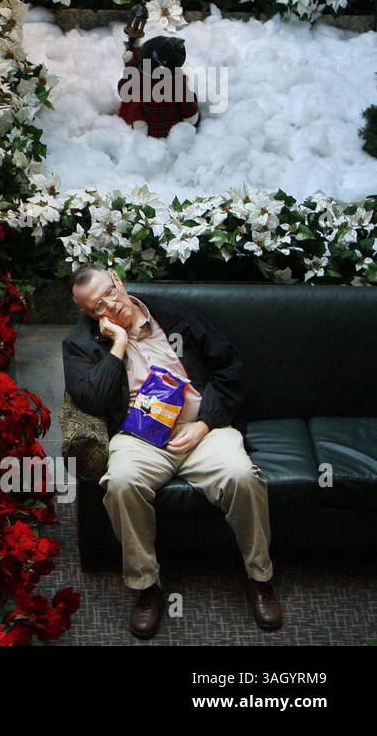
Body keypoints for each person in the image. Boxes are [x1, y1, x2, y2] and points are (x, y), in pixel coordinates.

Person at [62, 267, 282, 638]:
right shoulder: (80, 344)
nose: (111, 306)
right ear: (87, 313)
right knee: (119, 482)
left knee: (242, 476)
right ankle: (147, 587)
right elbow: (93, 400)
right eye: (98, 307)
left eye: (111, 293)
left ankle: (259, 577)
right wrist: (116, 345)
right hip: (139, 437)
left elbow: (227, 368)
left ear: (119, 279)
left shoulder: (174, 316)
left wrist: (206, 423)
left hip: (201, 429)